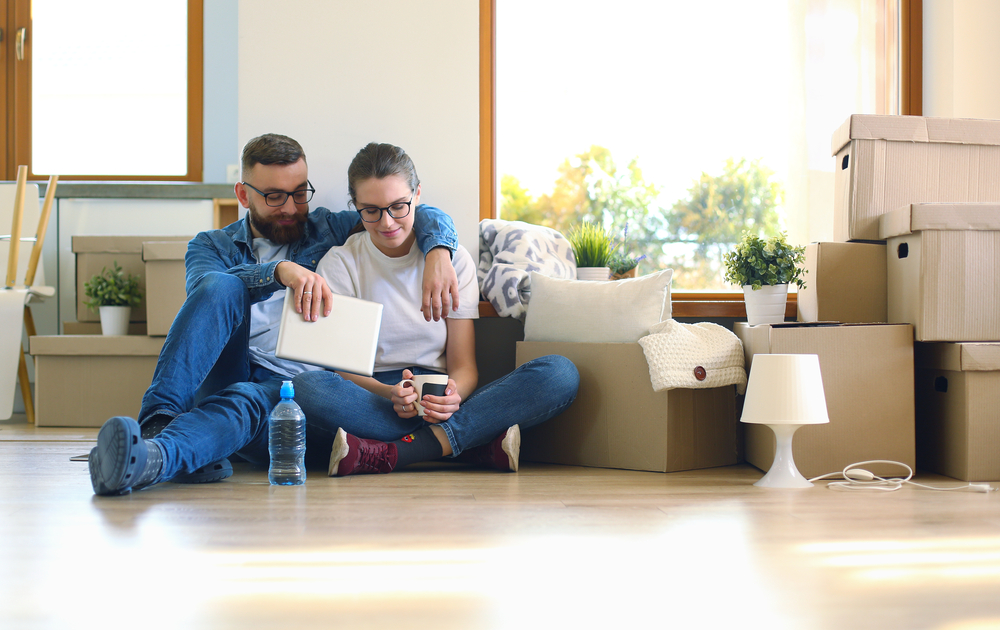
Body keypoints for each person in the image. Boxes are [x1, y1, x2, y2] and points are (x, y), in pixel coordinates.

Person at [88, 133, 461, 496]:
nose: (289, 208)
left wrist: (439, 251)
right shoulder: (211, 245)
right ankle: (157, 423)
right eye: (274, 196)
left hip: (306, 390)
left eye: (299, 194)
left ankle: (152, 457)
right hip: (234, 368)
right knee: (222, 287)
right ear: (243, 194)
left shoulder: (326, 227)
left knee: (249, 402)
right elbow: (205, 298)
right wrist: (278, 273)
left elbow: (410, 210)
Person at [291, 142, 580, 475]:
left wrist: (454, 396)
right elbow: (343, 370)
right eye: (370, 210)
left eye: (398, 206)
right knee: (307, 387)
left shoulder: (452, 261)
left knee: (559, 373)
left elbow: (464, 365)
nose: (387, 222)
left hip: (442, 398)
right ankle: (468, 444)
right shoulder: (342, 263)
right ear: (355, 206)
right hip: (379, 399)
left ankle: (402, 452)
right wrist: (389, 393)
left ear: (417, 195)